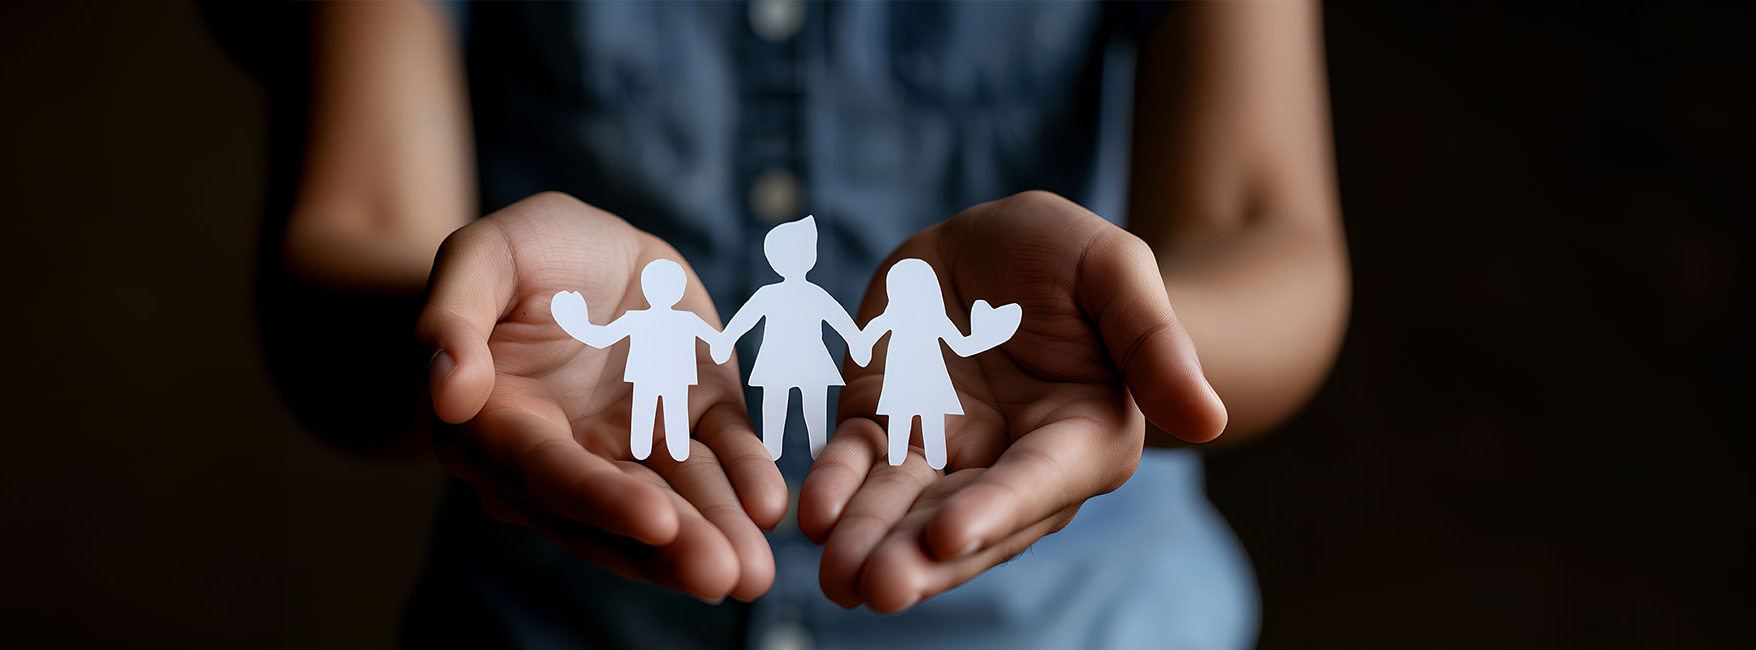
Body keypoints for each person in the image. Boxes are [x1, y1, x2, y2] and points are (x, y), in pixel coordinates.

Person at [263, 1, 1349, 647]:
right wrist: (471, 321)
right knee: (763, 406)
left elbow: (1265, 232)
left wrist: (1121, 334)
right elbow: (351, 241)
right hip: (552, 626)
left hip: (1082, 628)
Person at [551, 259, 732, 462]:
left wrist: (579, 324)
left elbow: (601, 337)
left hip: (661, 377)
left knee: (663, 415)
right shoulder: (681, 319)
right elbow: (719, 341)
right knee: (661, 415)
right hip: (662, 377)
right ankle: (655, 448)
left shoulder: (660, 319)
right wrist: (577, 325)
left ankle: (660, 448)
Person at [716, 216, 863, 462]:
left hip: (800, 361)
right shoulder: (778, 295)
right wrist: (725, 340)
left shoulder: (808, 294)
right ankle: (774, 446)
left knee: (806, 403)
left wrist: (857, 341)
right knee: (779, 402)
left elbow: (840, 320)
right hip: (784, 361)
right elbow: (744, 320)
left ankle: (814, 446)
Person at [849, 258, 1020, 470]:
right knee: (904, 415)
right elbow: (866, 338)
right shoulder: (896, 317)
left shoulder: (934, 319)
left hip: (925, 380)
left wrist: (988, 335)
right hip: (903, 380)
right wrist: (860, 347)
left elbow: (962, 346)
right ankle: (898, 454)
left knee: (928, 416)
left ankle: (928, 457)